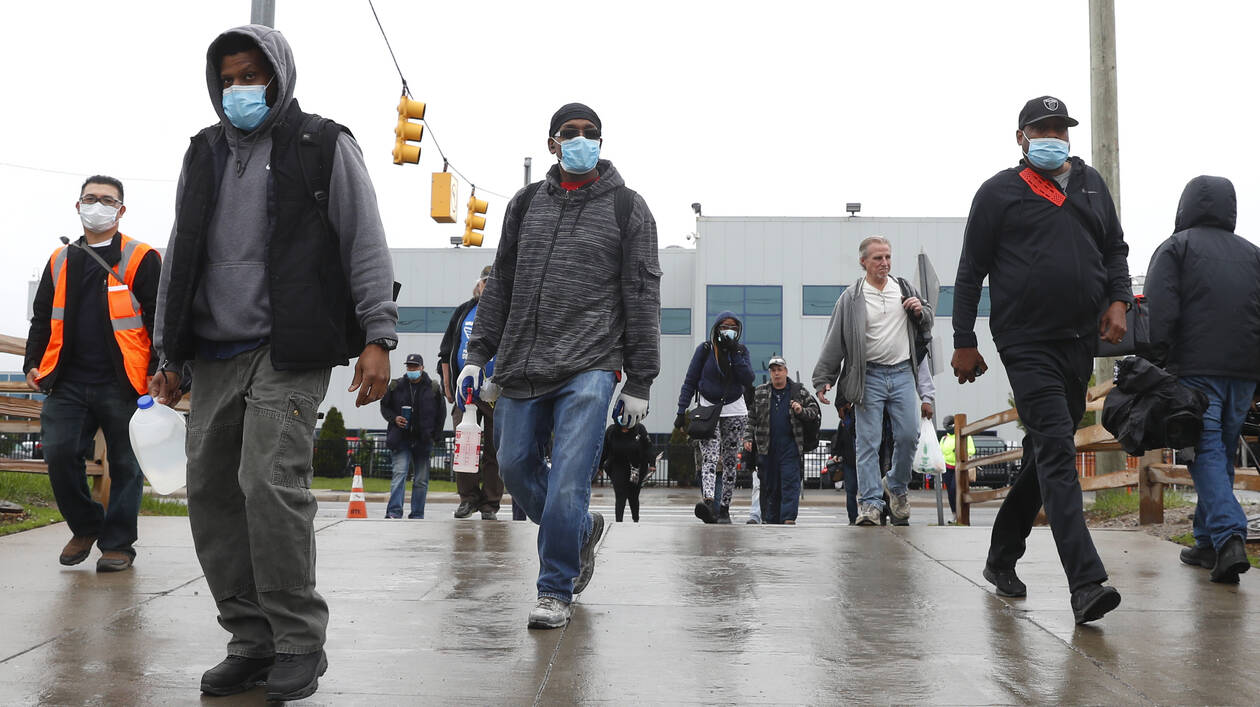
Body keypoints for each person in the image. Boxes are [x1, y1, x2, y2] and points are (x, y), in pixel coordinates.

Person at [149, 26, 398, 699]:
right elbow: (181, 254)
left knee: (268, 480)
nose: (239, 89)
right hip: (213, 351)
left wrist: (379, 334)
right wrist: (167, 350)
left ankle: (296, 639)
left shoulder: (322, 144)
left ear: (279, 75)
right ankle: (249, 637)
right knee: (210, 493)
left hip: (288, 348)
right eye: (227, 78)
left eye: (251, 75)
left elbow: (364, 240)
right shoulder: (201, 153)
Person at [460, 103, 660, 630]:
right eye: (569, 133)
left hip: (592, 365)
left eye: (590, 134)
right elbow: (500, 285)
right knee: (515, 464)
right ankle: (580, 530)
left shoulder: (628, 209)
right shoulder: (525, 205)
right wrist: (477, 355)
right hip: (523, 365)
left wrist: (640, 378)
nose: (580, 140)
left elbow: (642, 295)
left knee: (570, 478)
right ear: (552, 143)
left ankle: (555, 588)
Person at [952, 95, 1129, 624]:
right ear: (1022, 137)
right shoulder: (998, 193)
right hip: (1025, 341)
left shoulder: (1092, 183)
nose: (1054, 134)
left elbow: (1115, 249)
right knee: (1056, 450)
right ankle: (1086, 584)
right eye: (1042, 127)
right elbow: (970, 270)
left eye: (1061, 127)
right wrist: (965, 338)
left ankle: (1002, 553)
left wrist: (1118, 298)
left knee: (1045, 450)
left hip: (1079, 340)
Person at [24, 175, 160, 573]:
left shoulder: (141, 257)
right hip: (66, 381)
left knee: (126, 466)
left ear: (121, 210)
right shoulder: (60, 259)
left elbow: (159, 320)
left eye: (106, 200)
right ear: (78, 205)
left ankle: (118, 544)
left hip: (125, 383)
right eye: (90, 198)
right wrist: (33, 361)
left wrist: (161, 370)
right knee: (59, 453)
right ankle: (86, 526)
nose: (97, 205)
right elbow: (42, 317)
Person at [1145, 175, 1260, 584]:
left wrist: (1158, 362)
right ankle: (1207, 542)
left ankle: (1230, 538)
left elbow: (1160, 311)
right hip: (1245, 373)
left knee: (1204, 452)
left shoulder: (1177, 248)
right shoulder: (1254, 254)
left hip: (1196, 370)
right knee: (1221, 453)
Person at [812, 236, 932, 526]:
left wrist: (920, 310)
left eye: (888, 257)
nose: (884, 263)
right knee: (868, 443)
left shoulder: (903, 289)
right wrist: (824, 378)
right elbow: (835, 340)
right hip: (869, 376)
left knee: (907, 435)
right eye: (878, 258)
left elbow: (927, 326)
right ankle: (870, 505)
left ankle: (896, 486)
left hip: (903, 373)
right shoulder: (852, 297)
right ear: (863, 261)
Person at [675, 313, 756, 524]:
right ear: (716, 328)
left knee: (730, 461)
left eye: (733, 327)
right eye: (724, 326)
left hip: (735, 410)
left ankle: (725, 507)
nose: (728, 330)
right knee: (709, 458)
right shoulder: (705, 350)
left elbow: (748, 378)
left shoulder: (741, 350)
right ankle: (709, 502)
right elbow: (690, 380)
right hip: (708, 410)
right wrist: (681, 410)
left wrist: (734, 353)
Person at [438, 265, 503, 520]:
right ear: (479, 285)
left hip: (498, 392)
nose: (487, 287)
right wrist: (448, 384)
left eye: (493, 283)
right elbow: (446, 352)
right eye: (485, 283)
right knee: (465, 445)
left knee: (494, 450)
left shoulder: (507, 312)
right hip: (466, 391)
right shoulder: (464, 311)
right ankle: (468, 499)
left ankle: (490, 503)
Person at [744, 356, 821, 524]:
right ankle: (770, 519)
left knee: (790, 483)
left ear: (786, 371)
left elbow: (814, 411)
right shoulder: (761, 392)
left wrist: (801, 411)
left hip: (790, 447)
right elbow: (751, 418)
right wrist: (748, 438)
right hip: (767, 448)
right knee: (769, 486)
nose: (776, 373)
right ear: (770, 373)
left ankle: (788, 517)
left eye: (780, 370)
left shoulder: (798, 391)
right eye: (773, 370)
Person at [378, 354, 445, 519]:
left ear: (422, 367)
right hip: (401, 439)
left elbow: (441, 414)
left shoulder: (433, 388)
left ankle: (417, 513)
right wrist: (394, 418)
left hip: (423, 440)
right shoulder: (395, 386)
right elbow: (384, 407)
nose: (412, 369)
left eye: (415, 366)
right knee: (399, 475)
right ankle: (394, 512)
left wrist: (435, 436)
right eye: (409, 367)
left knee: (421, 480)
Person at [599, 421, 653, 522]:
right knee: (620, 494)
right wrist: (600, 466)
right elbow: (605, 449)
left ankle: (635, 519)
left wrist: (652, 463)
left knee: (633, 496)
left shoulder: (639, 429)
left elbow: (648, 447)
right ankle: (618, 521)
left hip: (636, 467)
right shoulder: (611, 431)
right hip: (617, 465)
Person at [938, 415, 974, 519]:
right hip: (947, 468)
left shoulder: (965, 436)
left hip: (959, 467)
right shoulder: (944, 439)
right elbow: (941, 453)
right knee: (950, 492)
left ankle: (961, 513)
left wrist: (960, 450)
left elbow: (971, 450)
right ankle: (954, 513)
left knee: (955, 489)